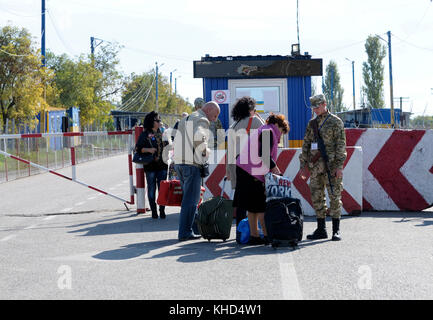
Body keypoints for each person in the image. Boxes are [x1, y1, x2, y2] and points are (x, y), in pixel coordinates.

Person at [236, 113, 290, 245]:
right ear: (279, 126)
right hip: (252, 171)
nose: (280, 136)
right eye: (282, 132)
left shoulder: (263, 129)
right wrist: (275, 168)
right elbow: (265, 153)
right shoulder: (269, 131)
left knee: (251, 206)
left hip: (244, 168)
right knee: (261, 206)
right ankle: (267, 235)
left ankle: (254, 236)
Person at [299, 94, 347, 241]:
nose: (315, 109)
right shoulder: (312, 123)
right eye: (313, 107)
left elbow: (341, 145)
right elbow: (306, 144)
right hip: (315, 167)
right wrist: (303, 165)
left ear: (325, 104)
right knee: (317, 197)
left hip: (331, 166)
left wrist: (339, 166)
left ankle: (336, 230)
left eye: (317, 106)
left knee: (334, 196)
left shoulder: (335, 122)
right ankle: (321, 229)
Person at [173, 101, 220, 241]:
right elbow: (199, 137)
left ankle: (193, 228)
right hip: (191, 164)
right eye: (215, 115)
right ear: (209, 110)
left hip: (180, 163)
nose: (215, 119)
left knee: (188, 199)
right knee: (191, 201)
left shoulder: (187, 118)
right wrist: (206, 151)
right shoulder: (202, 119)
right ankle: (185, 232)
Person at [226, 96, 264, 243]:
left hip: (236, 165)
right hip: (250, 166)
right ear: (250, 109)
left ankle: (240, 234)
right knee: (255, 201)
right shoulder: (254, 121)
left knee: (241, 200)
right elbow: (266, 137)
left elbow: (229, 150)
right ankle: (255, 233)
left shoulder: (234, 125)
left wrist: (228, 170)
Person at [135, 111, 169, 219]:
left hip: (163, 165)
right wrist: (149, 149)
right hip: (150, 166)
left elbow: (168, 146)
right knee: (151, 189)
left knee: (162, 189)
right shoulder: (145, 134)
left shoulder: (163, 133)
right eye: (157, 120)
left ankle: (162, 210)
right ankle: (154, 211)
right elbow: (138, 148)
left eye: (160, 120)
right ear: (151, 122)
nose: (159, 122)